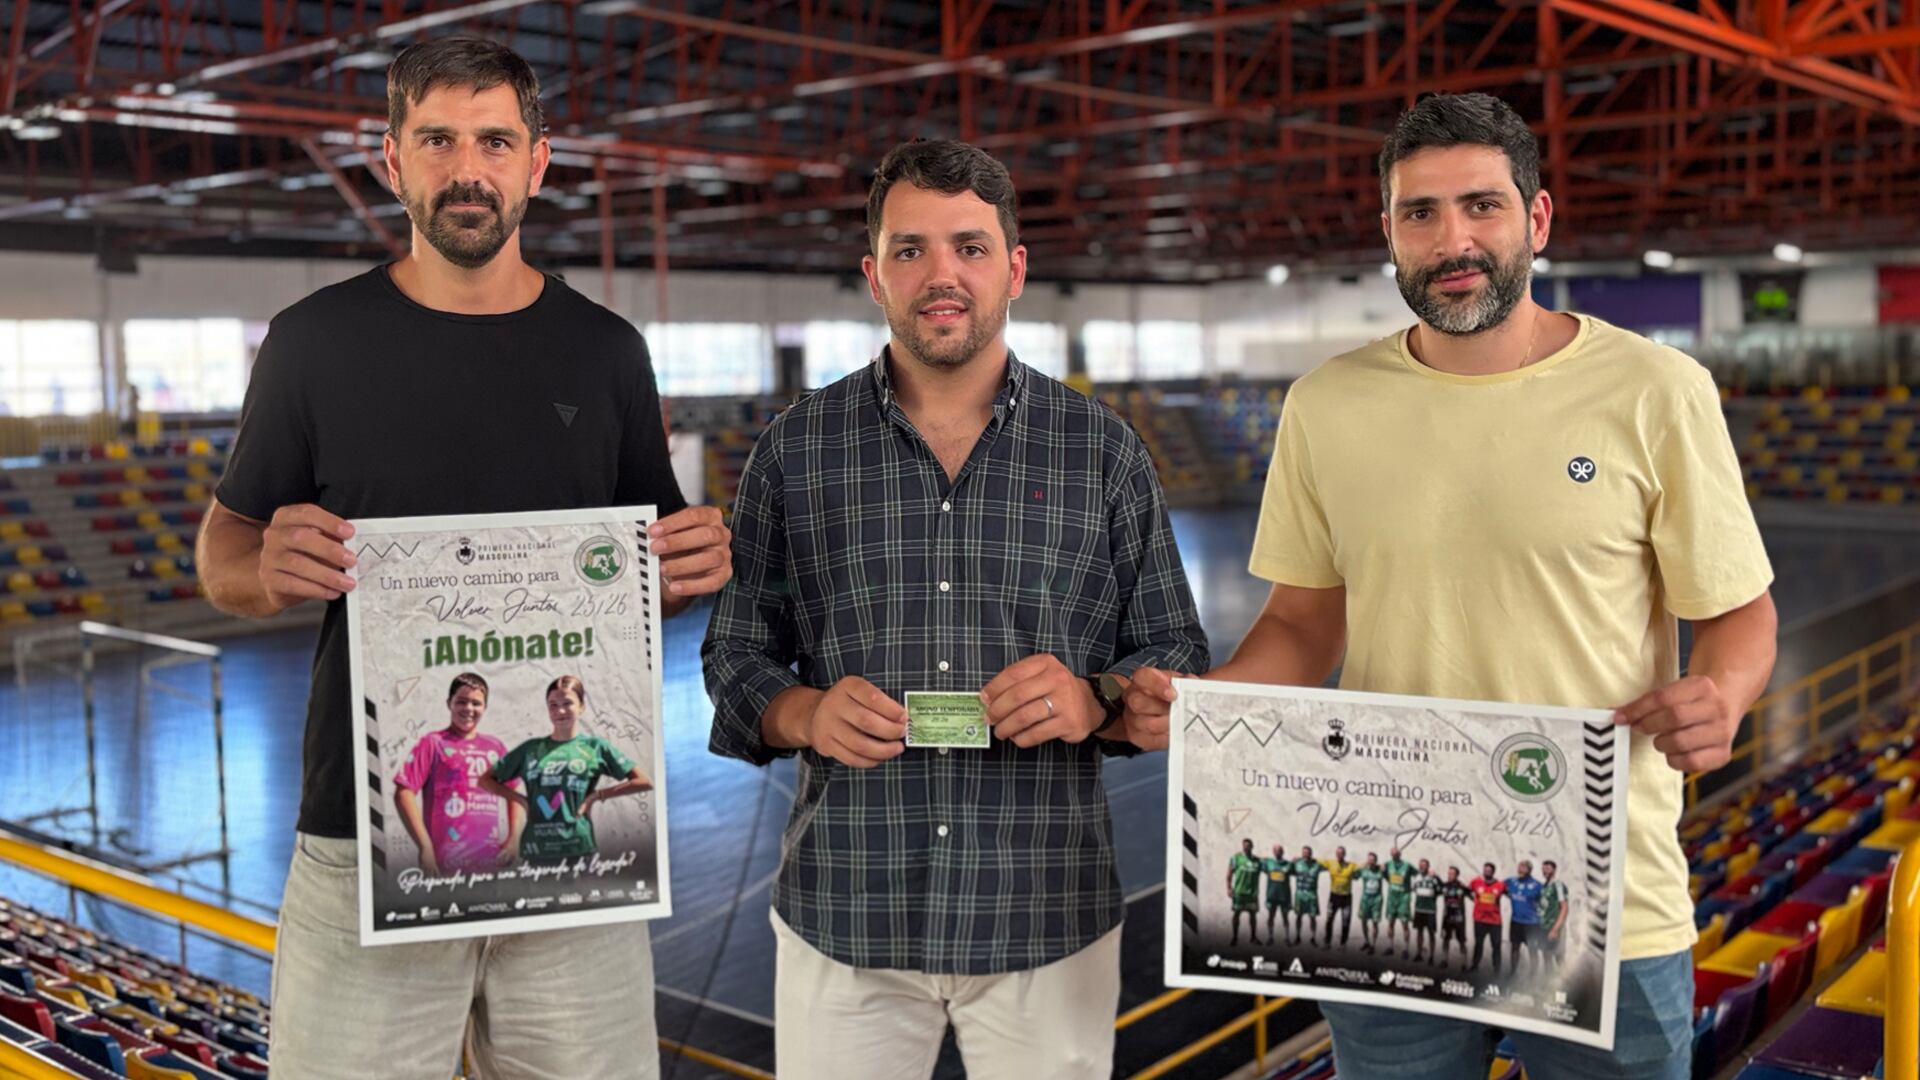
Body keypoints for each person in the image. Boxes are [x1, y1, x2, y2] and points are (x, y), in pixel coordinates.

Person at [1119, 92, 1776, 1078]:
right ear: (1388, 230)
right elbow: (1303, 621)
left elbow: (1739, 614)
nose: (1452, 238)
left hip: (1603, 889)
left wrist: (1721, 694)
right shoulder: (1329, 405)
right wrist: (1210, 707)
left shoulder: (1654, 391)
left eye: (1482, 206)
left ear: (1537, 219)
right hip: (1389, 881)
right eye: (1419, 213)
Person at [194, 37, 733, 1079]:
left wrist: (684, 567)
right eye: (437, 140)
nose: (467, 168)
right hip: (364, 844)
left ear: (538, 162)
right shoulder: (313, 343)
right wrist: (262, 571)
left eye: (495, 140)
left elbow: (646, 568)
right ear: (392, 161)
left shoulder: (607, 351)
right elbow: (224, 546)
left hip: (572, 874)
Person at [700, 138, 1208, 1080]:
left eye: (970, 247)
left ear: (1015, 268)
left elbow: (1174, 649)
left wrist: (1099, 699)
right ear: (873, 274)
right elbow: (735, 657)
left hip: (1044, 911)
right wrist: (804, 711)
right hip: (845, 906)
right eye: (910, 250)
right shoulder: (794, 451)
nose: (942, 275)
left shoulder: (1102, 451)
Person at [481, 676, 652, 862]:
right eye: (553, 705)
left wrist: (597, 796)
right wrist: (521, 800)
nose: (560, 711)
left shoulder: (595, 747)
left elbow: (643, 781)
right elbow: (485, 780)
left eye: (567, 703)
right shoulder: (529, 749)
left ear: (582, 707)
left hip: (578, 849)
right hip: (536, 850)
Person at [393, 673, 513, 876]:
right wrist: (425, 847)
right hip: (444, 866)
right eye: (462, 702)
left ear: (485, 707)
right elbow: (403, 792)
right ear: (449, 703)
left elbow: (514, 791)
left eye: (476, 703)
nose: (468, 709)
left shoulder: (495, 747)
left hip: (491, 866)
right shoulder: (432, 743)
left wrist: (514, 840)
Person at [1504, 860, 1546, 978]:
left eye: (1523, 868)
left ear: (1529, 870)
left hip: (1531, 923)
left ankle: (1533, 975)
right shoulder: (1511, 881)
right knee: (1514, 947)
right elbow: (1498, 887)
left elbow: (1545, 903)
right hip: (1516, 921)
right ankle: (1512, 972)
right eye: (1519, 867)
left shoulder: (1537, 885)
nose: (1520, 869)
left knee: (1532, 949)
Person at [1469, 863, 1506, 975]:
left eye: (1489, 871)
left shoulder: (1500, 885)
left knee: (1496, 945)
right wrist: (1474, 900)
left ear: (1493, 872)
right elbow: (1467, 890)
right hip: (1479, 920)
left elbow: (1510, 893)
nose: (1487, 872)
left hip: (1495, 921)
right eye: (1485, 870)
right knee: (1478, 944)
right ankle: (1475, 966)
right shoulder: (1476, 882)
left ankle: (1497, 970)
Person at [1321, 845, 1360, 947]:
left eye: (1341, 853)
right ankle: (1327, 942)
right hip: (1333, 897)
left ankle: (1343, 944)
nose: (1339, 855)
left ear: (1344, 854)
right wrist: (1298, 858)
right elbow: (1314, 861)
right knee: (1329, 920)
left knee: (1346, 921)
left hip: (1346, 898)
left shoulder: (1351, 865)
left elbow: (1365, 867)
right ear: (1335, 853)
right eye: (1337, 853)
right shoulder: (1330, 863)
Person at [1229, 838, 1264, 946]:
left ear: (1252, 847)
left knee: (1253, 915)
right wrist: (1229, 888)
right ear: (1242, 846)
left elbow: (1270, 865)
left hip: (1252, 894)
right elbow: (1229, 874)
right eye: (1245, 845)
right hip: (1239, 892)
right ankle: (1235, 937)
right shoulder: (1236, 858)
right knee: (1236, 914)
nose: (1246, 847)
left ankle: (1253, 937)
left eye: (1249, 845)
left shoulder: (1258, 861)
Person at [1383, 847, 1415, 958]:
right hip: (1392, 899)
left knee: (1405, 924)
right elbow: (1384, 875)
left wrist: (1413, 888)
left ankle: (1406, 949)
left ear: (1400, 854)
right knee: (1390, 922)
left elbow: (1418, 875)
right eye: (1392, 854)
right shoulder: (1387, 864)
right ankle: (1390, 947)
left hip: (1403, 898)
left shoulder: (1407, 866)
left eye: (1396, 854)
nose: (1394, 856)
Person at [1410, 858, 1443, 964]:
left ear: (1428, 866)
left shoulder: (1433, 877)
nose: (1422, 867)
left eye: (1424, 865)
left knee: (1431, 933)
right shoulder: (1416, 877)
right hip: (1419, 909)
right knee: (1419, 932)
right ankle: (1418, 954)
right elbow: (1414, 889)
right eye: (1420, 865)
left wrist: (1436, 876)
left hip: (1430, 910)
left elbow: (1441, 889)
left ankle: (1431, 956)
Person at [1290, 845, 1325, 946]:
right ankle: (1297, 936)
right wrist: (1293, 861)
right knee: (1299, 916)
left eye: (1308, 852)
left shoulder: (1317, 865)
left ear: (1311, 854)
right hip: (1300, 893)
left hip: (1312, 894)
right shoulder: (1297, 864)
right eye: (1304, 852)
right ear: (1302, 853)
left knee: (1312, 917)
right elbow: (1288, 871)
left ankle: (1313, 938)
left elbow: (1329, 865)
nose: (1306, 854)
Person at [1540, 860, 1572, 970]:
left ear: (1554, 870)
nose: (1545, 871)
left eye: (1548, 868)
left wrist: (1555, 929)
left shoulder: (1558, 885)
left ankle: (1566, 982)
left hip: (1555, 926)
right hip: (1545, 925)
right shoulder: (1545, 885)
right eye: (1544, 869)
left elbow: (1564, 908)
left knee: (1559, 956)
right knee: (1546, 955)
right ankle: (1548, 981)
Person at [1439, 866, 1472, 969]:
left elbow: (1474, 896)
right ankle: (1444, 960)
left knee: (1461, 941)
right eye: (1449, 873)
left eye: (1452, 874)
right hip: (1447, 917)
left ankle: (1464, 963)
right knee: (1445, 939)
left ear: (1457, 875)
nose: (1450, 875)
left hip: (1459, 919)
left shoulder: (1462, 886)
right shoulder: (1444, 886)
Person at [1263, 843, 1293, 946]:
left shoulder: (1288, 864)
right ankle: (1270, 937)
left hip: (1284, 896)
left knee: (1285, 917)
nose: (1277, 852)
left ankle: (1287, 938)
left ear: (1283, 852)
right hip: (1272, 896)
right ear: (1273, 851)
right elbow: (1257, 861)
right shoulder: (1268, 863)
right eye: (1275, 850)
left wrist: (1298, 859)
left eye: (1279, 850)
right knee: (1271, 917)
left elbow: (1296, 870)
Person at [1355, 852, 1386, 954]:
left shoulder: (1380, 871)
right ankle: (1366, 941)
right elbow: (1354, 876)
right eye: (1369, 859)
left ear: (1376, 861)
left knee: (1375, 922)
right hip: (1365, 899)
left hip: (1376, 899)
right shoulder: (1364, 870)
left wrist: (1384, 870)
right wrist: (1359, 867)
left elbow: (1391, 877)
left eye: (1373, 860)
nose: (1370, 861)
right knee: (1363, 921)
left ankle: (1373, 944)